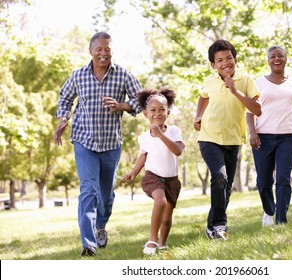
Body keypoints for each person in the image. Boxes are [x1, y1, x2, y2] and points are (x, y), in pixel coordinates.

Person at [53, 32, 142, 256]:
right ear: (91, 51)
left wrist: (122, 105)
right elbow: (64, 98)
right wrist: (64, 119)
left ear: (112, 51)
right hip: (84, 141)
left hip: (111, 143)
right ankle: (88, 243)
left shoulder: (123, 75)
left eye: (107, 49)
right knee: (88, 189)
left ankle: (100, 225)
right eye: (99, 49)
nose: (103, 53)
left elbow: (142, 101)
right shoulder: (78, 75)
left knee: (106, 195)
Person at [194, 39, 261, 240]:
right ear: (213, 65)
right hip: (209, 137)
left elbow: (257, 109)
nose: (225, 63)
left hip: (233, 140)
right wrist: (198, 115)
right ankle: (220, 225)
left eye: (229, 58)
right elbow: (203, 97)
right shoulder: (210, 81)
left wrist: (235, 90)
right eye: (220, 60)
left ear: (235, 58)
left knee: (226, 188)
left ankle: (211, 227)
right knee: (220, 177)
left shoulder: (246, 80)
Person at [246, 45, 292, 227]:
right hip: (263, 137)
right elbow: (249, 111)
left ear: (286, 58)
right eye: (272, 56)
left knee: (283, 179)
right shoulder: (258, 83)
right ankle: (269, 210)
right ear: (268, 60)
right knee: (263, 182)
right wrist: (252, 132)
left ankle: (281, 220)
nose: (276, 59)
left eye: (280, 56)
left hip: (288, 137)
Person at [123, 87, 185, 255]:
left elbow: (177, 151)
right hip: (153, 177)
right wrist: (133, 173)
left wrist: (161, 135)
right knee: (160, 201)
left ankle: (162, 243)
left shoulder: (174, 131)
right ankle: (152, 240)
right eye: (153, 110)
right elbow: (143, 156)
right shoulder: (143, 137)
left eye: (162, 110)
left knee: (166, 218)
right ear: (145, 114)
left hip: (172, 180)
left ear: (168, 112)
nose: (157, 113)